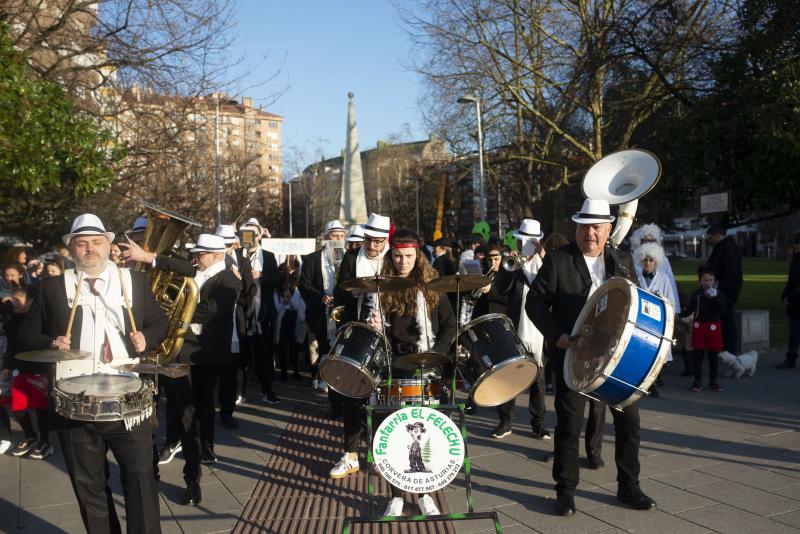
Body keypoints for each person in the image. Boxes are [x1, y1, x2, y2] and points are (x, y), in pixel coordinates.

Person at [19, 213, 168, 534]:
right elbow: (25, 335)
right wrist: (50, 342)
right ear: (71, 249)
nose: (90, 249)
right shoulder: (53, 287)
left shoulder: (134, 282)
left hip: (129, 404)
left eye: (97, 242)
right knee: (89, 489)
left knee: (141, 480)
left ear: (108, 245)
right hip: (74, 406)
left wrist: (148, 337)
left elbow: (160, 323)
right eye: (82, 243)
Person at [526, 199, 656, 517]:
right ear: (577, 228)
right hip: (574, 358)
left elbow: (635, 301)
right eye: (585, 227)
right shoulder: (559, 260)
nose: (591, 234)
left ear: (608, 229)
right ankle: (566, 491)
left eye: (597, 227)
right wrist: (557, 334)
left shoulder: (621, 260)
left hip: (618, 360)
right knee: (569, 426)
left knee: (630, 424)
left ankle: (629, 487)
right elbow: (536, 303)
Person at [366, 228, 456, 517]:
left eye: (407, 256)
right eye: (397, 256)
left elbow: (449, 326)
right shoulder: (385, 287)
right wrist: (376, 325)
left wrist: (436, 355)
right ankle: (396, 496)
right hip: (397, 367)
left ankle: (425, 494)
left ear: (417, 256)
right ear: (390, 257)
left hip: (428, 365)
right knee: (393, 435)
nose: (402, 261)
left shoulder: (433, 288)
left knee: (427, 433)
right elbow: (381, 336)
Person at [329, 213, 391, 479]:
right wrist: (349, 293)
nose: (373, 246)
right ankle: (350, 454)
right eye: (369, 240)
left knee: (383, 398)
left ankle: (379, 454)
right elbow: (340, 292)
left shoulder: (392, 259)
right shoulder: (353, 258)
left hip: (387, 335)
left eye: (378, 241)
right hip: (358, 333)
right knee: (352, 395)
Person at [493, 220, 549, 441]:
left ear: (537, 242)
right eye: (522, 239)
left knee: (539, 380)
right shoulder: (513, 263)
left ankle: (539, 424)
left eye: (530, 241)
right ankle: (505, 422)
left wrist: (541, 257)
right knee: (509, 376)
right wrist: (512, 266)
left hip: (540, 330)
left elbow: (548, 288)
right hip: (516, 326)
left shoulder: (547, 263)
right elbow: (501, 289)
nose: (524, 244)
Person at [2, 286, 53, 459]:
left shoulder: (40, 320)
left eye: (18, 298)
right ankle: (30, 437)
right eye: (13, 298)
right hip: (19, 369)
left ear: (31, 301)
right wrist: (6, 366)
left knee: (41, 409)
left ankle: (45, 442)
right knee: (18, 408)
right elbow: (11, 345)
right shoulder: (13, 319)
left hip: (38, 371)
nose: (13, 301)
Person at [215, 224, 257, 428]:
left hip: (234, 319)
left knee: (230, 369)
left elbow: (251, 288)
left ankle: (226, 412)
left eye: (229, 244)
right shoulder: (208, 259)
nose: (226, 248)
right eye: (222, 244)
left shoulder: (241, 259)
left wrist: (238, 293)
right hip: (210, 321)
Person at [299, 220, 346, 399]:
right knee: (324, 346)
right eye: (335, 236)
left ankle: (333, 384)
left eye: (341, 236)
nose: (338, 240)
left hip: (341, 312)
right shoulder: (312, 259)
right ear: (326, 238)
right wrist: (321, 297)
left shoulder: (347, 257)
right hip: (319, 312)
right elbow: (304, 285)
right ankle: (325, 380)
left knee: (338, 347)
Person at [238, 218, 281, 405]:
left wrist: (261, 275)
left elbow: (278, 280)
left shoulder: (269, 256)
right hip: (242, 312)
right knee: (241, 354)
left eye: (254, 234)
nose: (251, 237)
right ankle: (239, 391)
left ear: (260, 235)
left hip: (262, 313)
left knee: (264, 353)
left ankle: (267, 390)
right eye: (247, 234)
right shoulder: (239, 254)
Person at [633, 242, 680, 396]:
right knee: (641, 351)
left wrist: (661, 300)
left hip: (657, 321)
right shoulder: (636, 277)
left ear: (656, 262)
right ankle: (643, 383)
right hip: (640, 320)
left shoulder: (664, 278)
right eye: (645, 260)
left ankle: (653, 382)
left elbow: (670, 301)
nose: (647, 263)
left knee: (656, 353)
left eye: (651, 260)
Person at [681, 266, 726, 392]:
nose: (708, 283)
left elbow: (722, 310)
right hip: (699, 327)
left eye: (711, 280)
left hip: (713, 327)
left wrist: (714, 297)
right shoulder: (696, 295)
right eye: (705, 280)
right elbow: (690, 310)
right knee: (697, 355)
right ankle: (697, 381)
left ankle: (713, 381)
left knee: (713, 355)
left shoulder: (718, 294)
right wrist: (679, 314)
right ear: (700, 282)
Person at [705, 224, 742, 353]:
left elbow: (728, 272)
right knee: (724, 320)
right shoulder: (724, 247)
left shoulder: (726, 249)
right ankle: (726, 348)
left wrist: (718, 287)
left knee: (727, 321)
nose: (708, 240)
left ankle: (730, 350)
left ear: (717, 235)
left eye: (710, 237)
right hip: (725, 289)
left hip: (726, 290)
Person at [777, 233, 800, 369]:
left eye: (797, 243)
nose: (795, 246)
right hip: (795, 301)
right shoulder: (795, 259)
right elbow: (791, 279)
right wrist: (786, 295)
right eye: (795, 243)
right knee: (794, 330)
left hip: (797, 297)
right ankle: (791, 358)